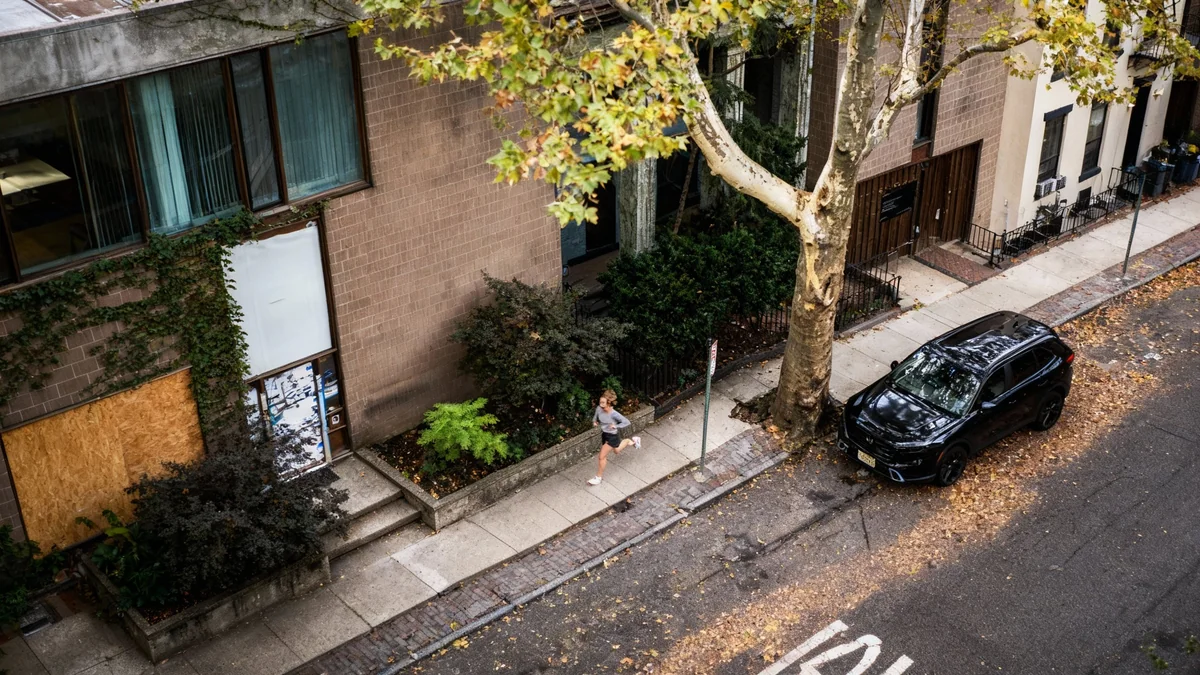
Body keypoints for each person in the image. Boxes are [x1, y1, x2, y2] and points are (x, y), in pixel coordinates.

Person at [588, 389, 641, 486]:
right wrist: (595, 421)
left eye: (603, 403)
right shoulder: (600, 409)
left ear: (608, 403)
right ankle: (631, 441)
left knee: (601, 457)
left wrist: (616, 426)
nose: (601, 405)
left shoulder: (614, 413)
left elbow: (626, 422)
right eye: (600, 402)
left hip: (612, 437)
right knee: (616, 451)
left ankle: (598, 478)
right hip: (605, 435)